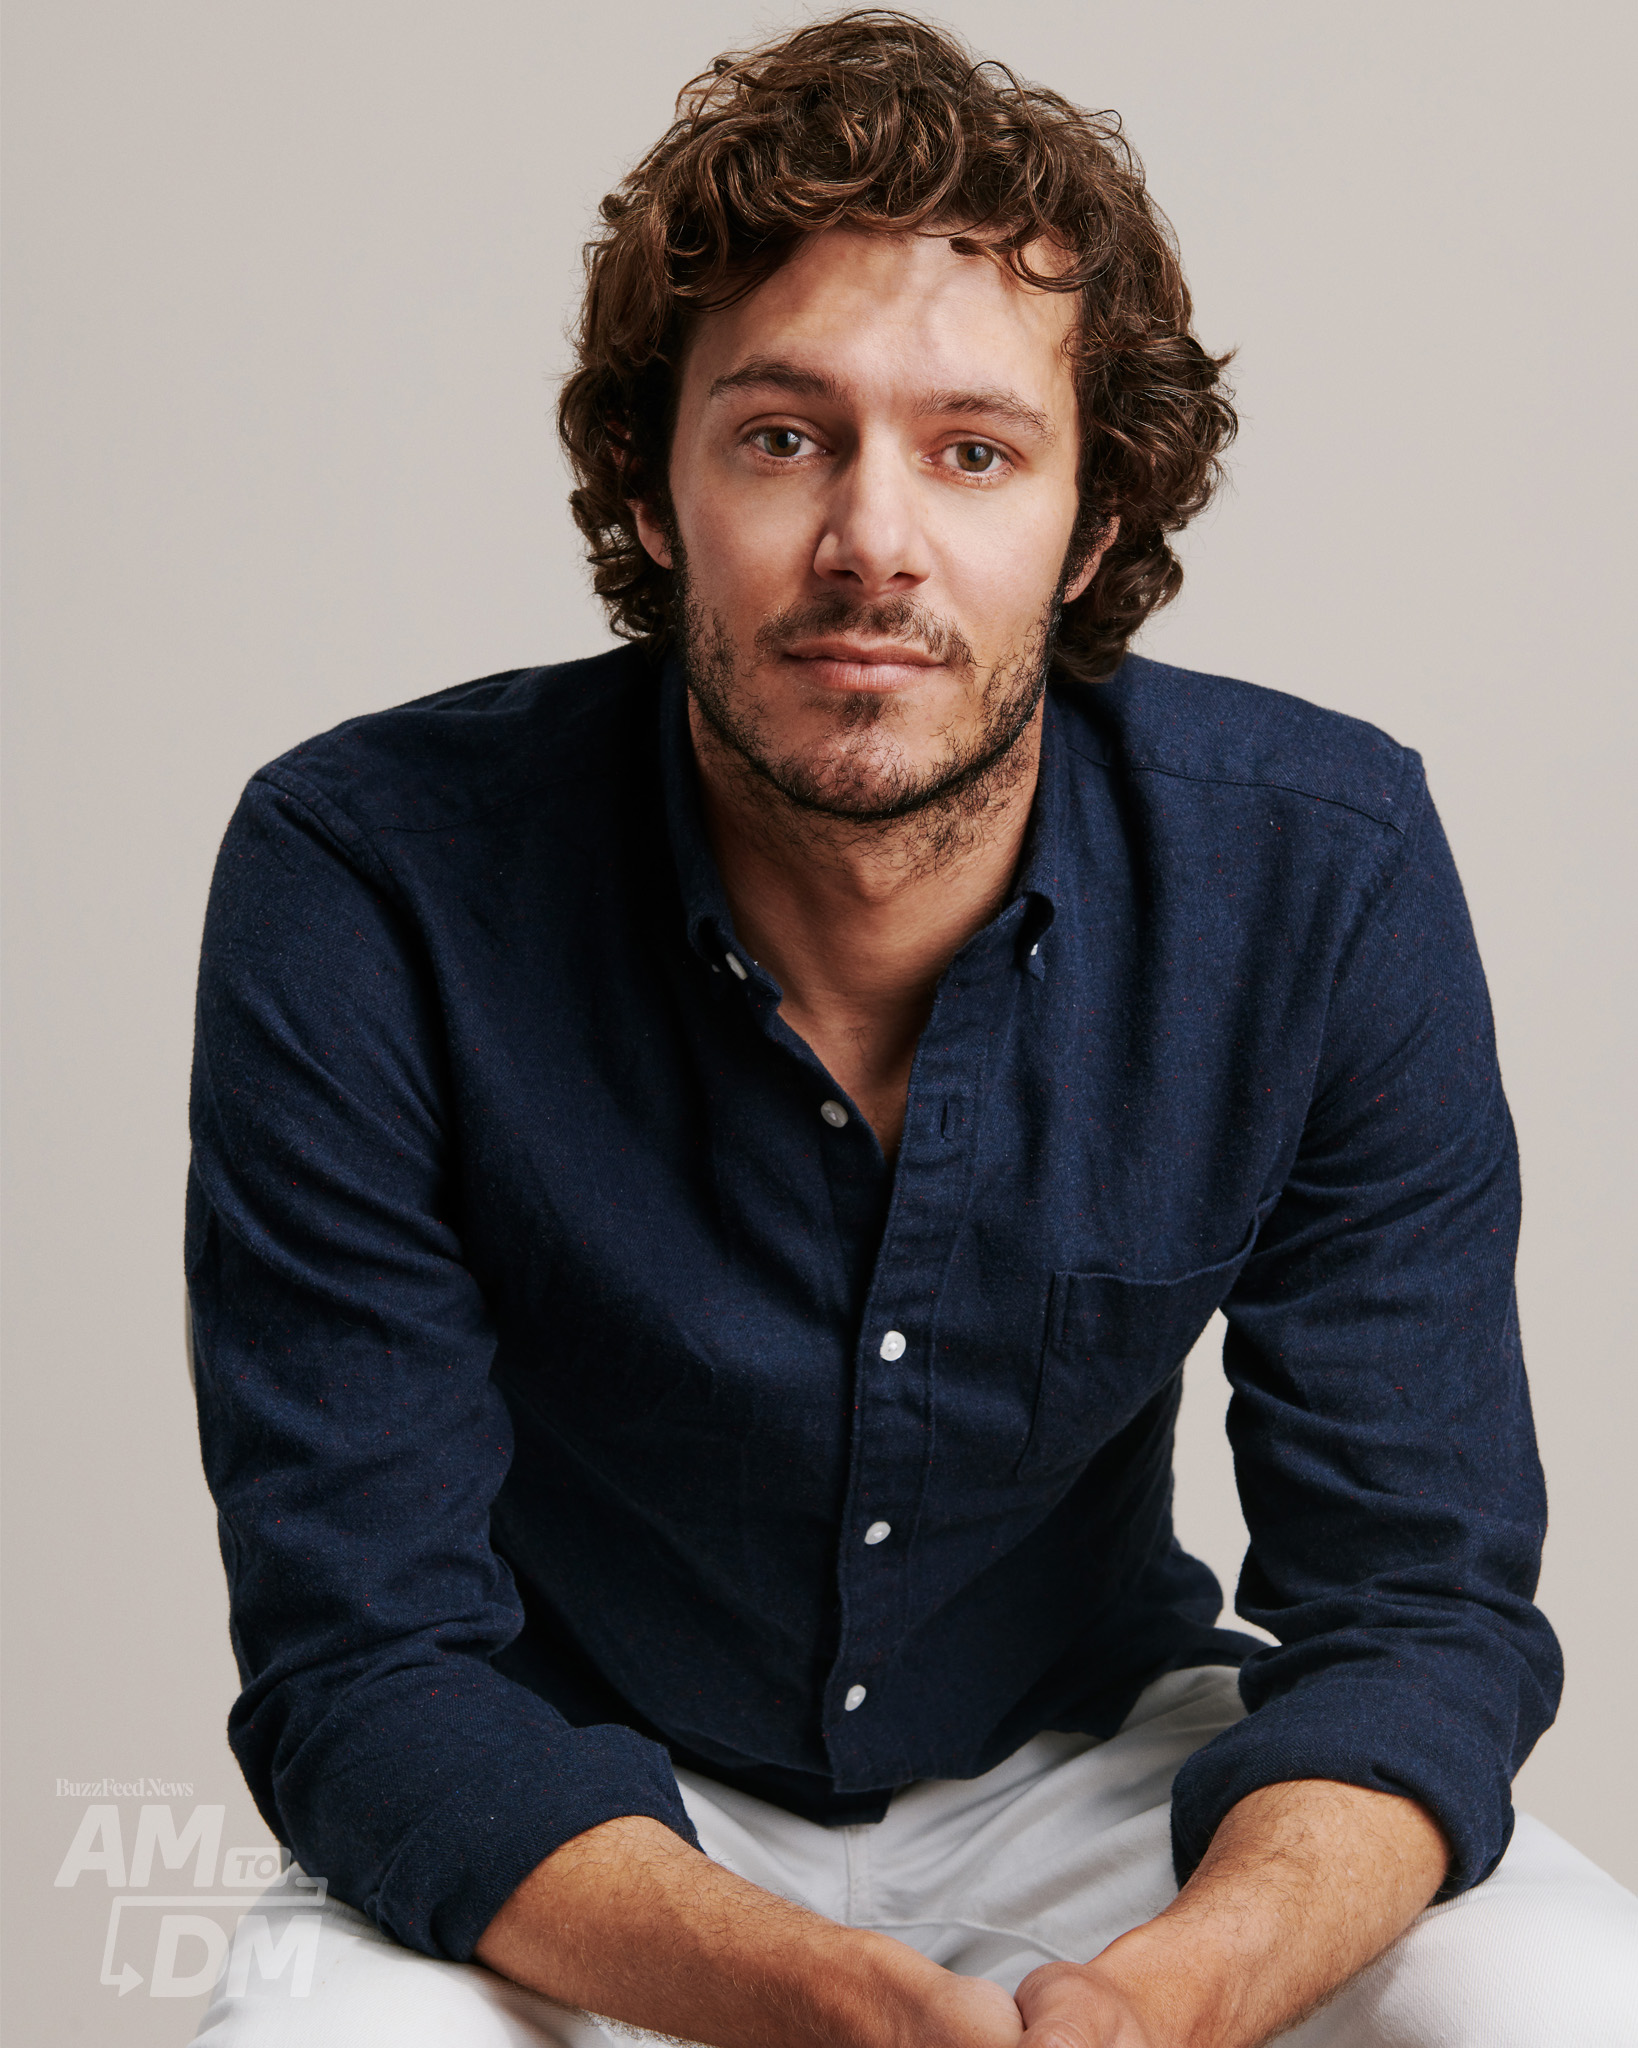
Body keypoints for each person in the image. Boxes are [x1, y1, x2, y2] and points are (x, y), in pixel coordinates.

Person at [184, 13, 1635, 2044]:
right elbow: (366, 1656)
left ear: (1091, 523)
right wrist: (827, 2002)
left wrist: (1165, 1998)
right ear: (656, 487)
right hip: (577, 1788)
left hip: (1099, 1767)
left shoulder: (1323, 867)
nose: (874, 542)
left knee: (1569, 2000)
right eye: (784, 437)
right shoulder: (370, 874)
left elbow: (1416, 1607)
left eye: (974, 451)